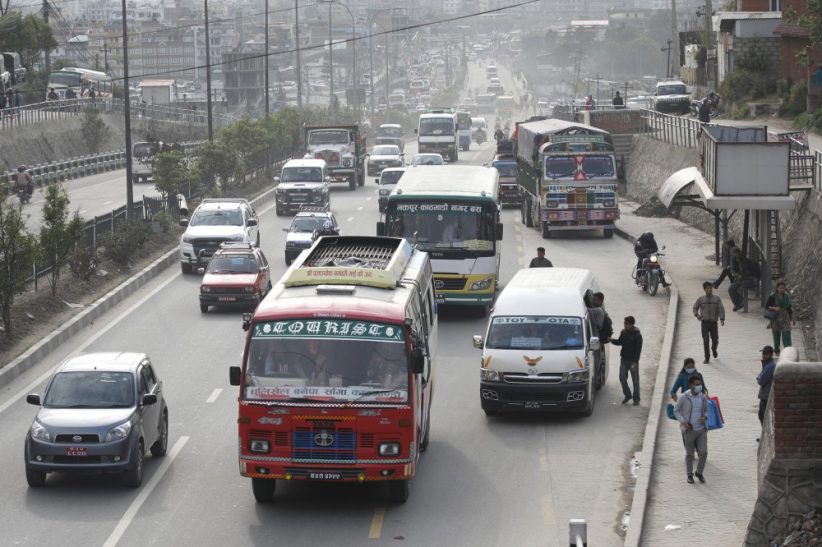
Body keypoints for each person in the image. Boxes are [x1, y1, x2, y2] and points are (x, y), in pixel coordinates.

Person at [673, 374, 709, 484]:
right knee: (689, 454)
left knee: (703, 452)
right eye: (697, 385)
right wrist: (683, 422)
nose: (699, 387)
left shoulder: (702, 397)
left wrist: (705, 417)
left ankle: (699, 472)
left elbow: (707, 409)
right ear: (691, 385)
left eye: (700, 384)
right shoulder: (684, 397)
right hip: (689, 430)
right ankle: (689, 474)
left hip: (701, 430)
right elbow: (676, 411)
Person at [610, 316, 643, 405]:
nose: (625, 325)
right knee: (622, 378)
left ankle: (636, 398)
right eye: (624, 323)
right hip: (624, 359)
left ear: (632, 325)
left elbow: (638, 350)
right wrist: (612, 340)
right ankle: (628, 394)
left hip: (633, 361)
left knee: (635, 381)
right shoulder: (623, 332)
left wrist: (635, 362)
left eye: (627, 324)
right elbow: (620, 342)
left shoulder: (637, 335)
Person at [693, 281, 725, 364]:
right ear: (704, 289)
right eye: (708, 288)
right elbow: (695, 308)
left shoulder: (717, 299)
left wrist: (722, 319)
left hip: (714, 323)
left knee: (715, 340)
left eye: (711, 288)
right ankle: (707, 358)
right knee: (706, 341)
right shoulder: (701, 299)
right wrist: (697, 315)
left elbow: (721, 309)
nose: (710, 290)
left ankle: (714, 349)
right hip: (705, 323)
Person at [766, 281, 794, 354]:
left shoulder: (786, 296)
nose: (782, 289)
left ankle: (787, 351)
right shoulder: (772, 296)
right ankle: (777, 351)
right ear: (777, 288)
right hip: (776, 318)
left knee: (787, 333)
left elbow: (789, 308)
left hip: (785, 317)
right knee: (776, 335)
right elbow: (767, 306)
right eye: (780, 288)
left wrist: (793, 318)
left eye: (783, 288)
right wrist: (774, 308)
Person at [756, 346, 776, 425]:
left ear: (770, 355)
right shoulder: (767, 365)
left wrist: (759, 377)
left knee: (764, 417)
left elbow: (760, 381)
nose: (763, 355)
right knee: (761, 415)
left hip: (766, 396)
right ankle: (764, 435)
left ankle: (766, 436)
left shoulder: (770, 366)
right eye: (763, 353)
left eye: (766, 353)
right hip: (764, 395)